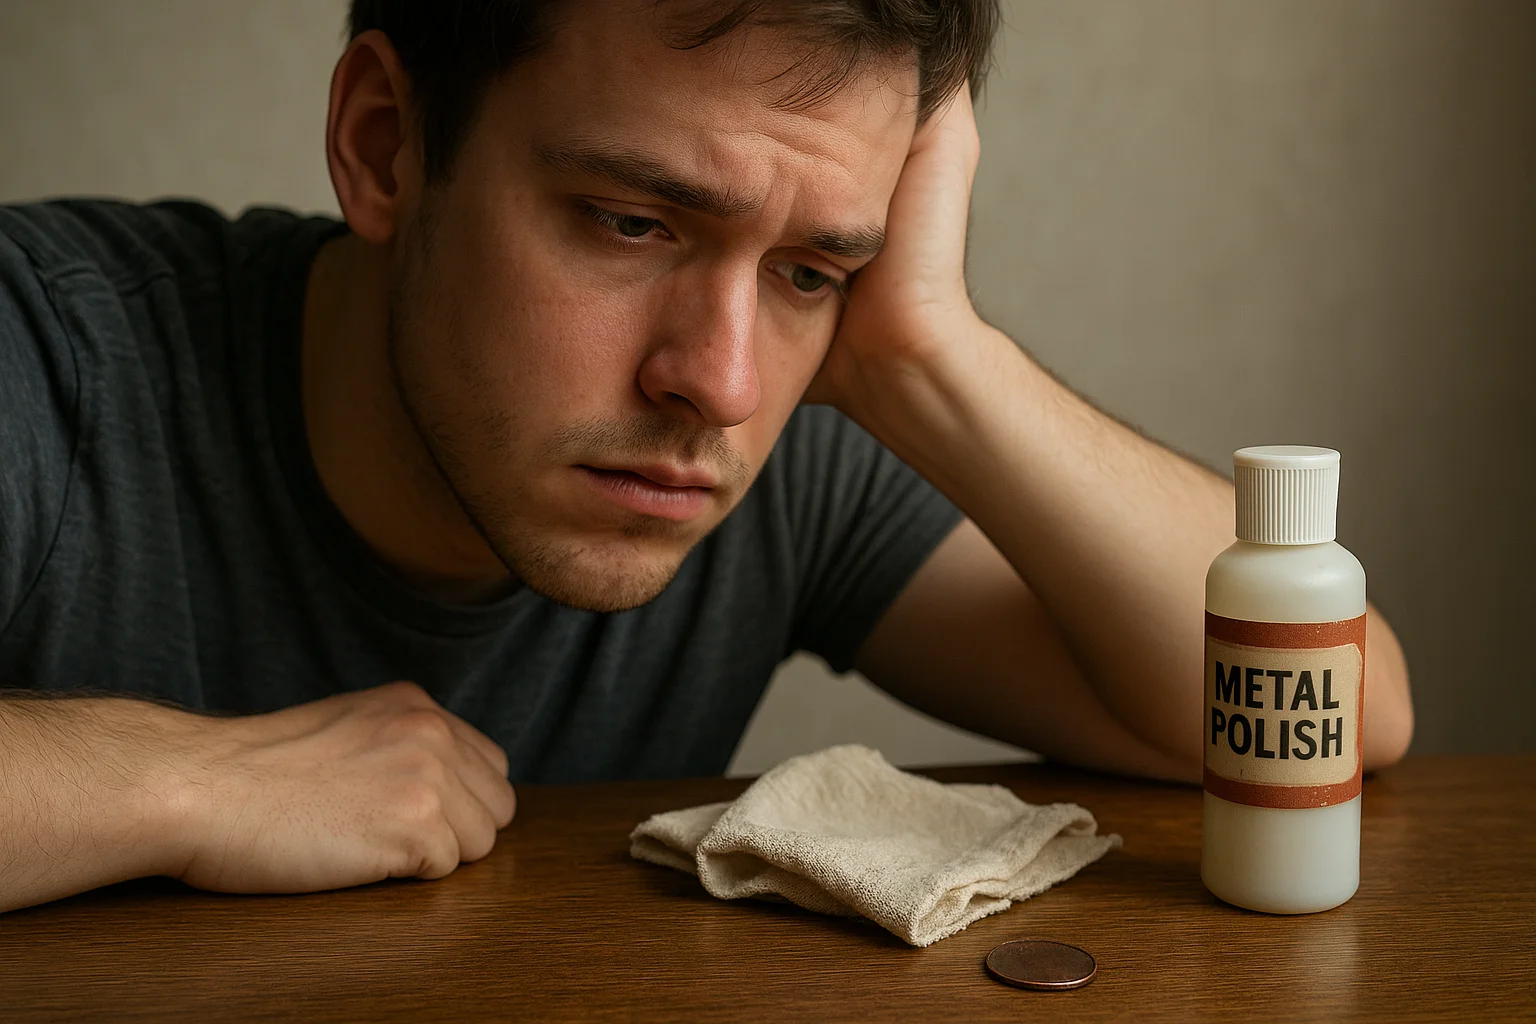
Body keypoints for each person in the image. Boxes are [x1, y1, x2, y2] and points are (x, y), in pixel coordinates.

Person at [0, 0, 1413, 915]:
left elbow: (1336, 708)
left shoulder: (773, 453)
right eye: (632, 223)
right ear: (384, 147)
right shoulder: (43, 354)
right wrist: (176, 780)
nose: (719, 384)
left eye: (810, 270)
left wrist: (927, 349)